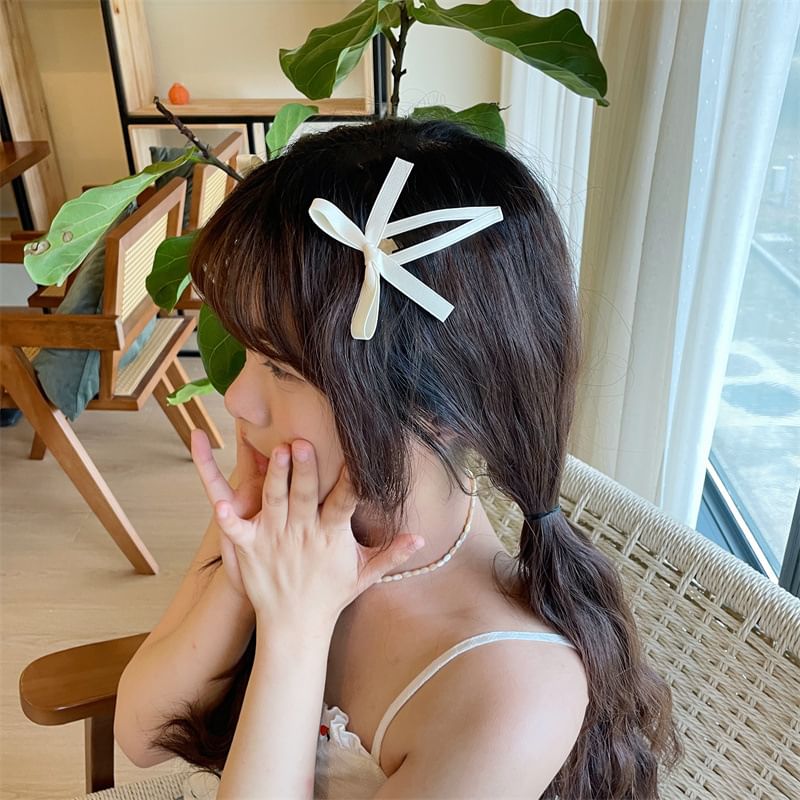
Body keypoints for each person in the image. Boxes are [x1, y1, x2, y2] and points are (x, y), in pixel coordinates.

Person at [114, 116, 682, 799]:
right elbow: (142, 736)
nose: (236, 399)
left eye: (282, 369)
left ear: (439, 407)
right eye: (248, 355)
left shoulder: (511, 687)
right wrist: (241, 578)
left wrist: (294, 629)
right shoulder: (295, 517)